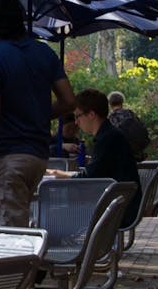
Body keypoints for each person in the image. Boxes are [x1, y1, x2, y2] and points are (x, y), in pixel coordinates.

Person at [0, 0, 75, 227]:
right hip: (38, 157)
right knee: (16, 226)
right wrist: (37, 114)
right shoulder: (44, 53)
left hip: (9, 159)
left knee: (4, 240)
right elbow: (69, 101)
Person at [48, 89, 143, 227]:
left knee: (51, 215)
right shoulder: (110, 135)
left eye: (78, 116)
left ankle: (73, 248)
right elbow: (94, 173)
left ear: (91, 114)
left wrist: (57, 174)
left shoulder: (107, 139)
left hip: (117, 209)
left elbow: (88, 178)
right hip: (120, 203)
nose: (76, 122)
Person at [107, 90, 150, 162]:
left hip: (120, 157)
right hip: (137, 153)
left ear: (110, 104)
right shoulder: (131, 114)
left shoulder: (111, 118)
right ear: (122, 102)